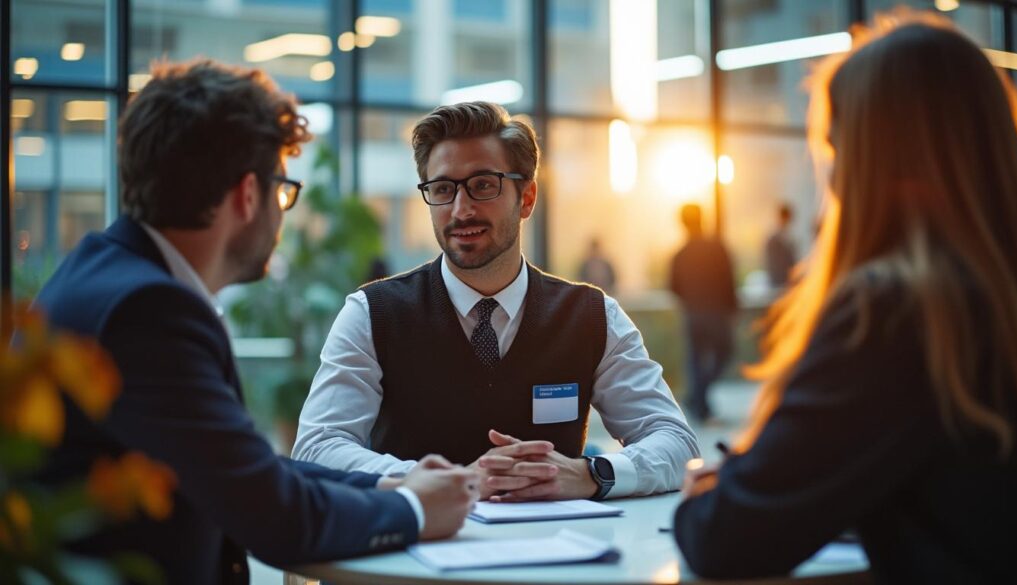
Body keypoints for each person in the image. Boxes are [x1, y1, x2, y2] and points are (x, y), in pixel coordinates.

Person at [33, 60, 477, 584]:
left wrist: (388, 489)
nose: (282, 211)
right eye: (282, 189)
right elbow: (275, 517)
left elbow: (239, 470)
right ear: (247, 194)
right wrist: (416, 513)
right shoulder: (148, 311)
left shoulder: (108, 274)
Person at [675, 12, 1017, 583]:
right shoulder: (992, 292)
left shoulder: (900, 308)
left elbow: (725, 539)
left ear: (872, 160)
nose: (832, 176)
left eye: (837, 147)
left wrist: (710, 496)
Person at [294, 102, 699, 503]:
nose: (460, 209)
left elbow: (677, 442)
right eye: (442, 189)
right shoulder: (372, 313)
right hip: (411, 557)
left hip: (555, 556)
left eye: (483, 185)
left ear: (526, 198)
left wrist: (592, 473)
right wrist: (436, 481)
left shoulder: (593, 316)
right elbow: (317, 447)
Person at [668, 204, 738, 423]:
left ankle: (696, 400)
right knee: (724, 354)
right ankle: (698, 401)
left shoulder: (679, 254)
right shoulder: (717, 248)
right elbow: (729, 280)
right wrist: (732, 308)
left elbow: (673, 286)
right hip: (717, 313)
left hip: (693, 314)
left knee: (696, 361)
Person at [764, 203, 797, 289]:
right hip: (779, 284)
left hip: (787, 282)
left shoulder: (788, 237)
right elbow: (773, 265)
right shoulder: (773, 240)